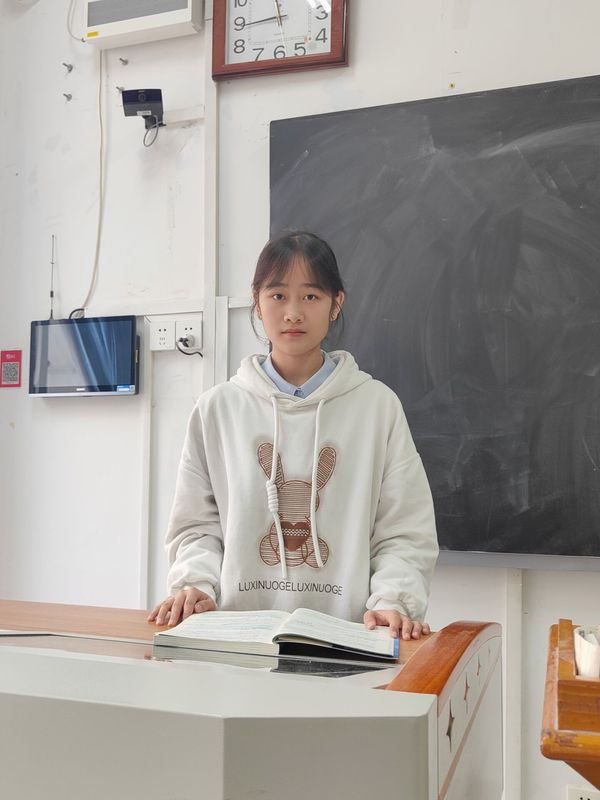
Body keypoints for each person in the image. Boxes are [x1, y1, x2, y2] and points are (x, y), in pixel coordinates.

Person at [149, 231, 438, 639]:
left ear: (336, 304)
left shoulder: (376, 406)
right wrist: (194, 582)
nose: (293, 313)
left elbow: (404, 529)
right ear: (257, 301)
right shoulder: (218, 409)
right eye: (278, 295)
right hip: (236, 639)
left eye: (311, 296)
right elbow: (196, 526)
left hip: (347, 639)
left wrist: (395, 600)